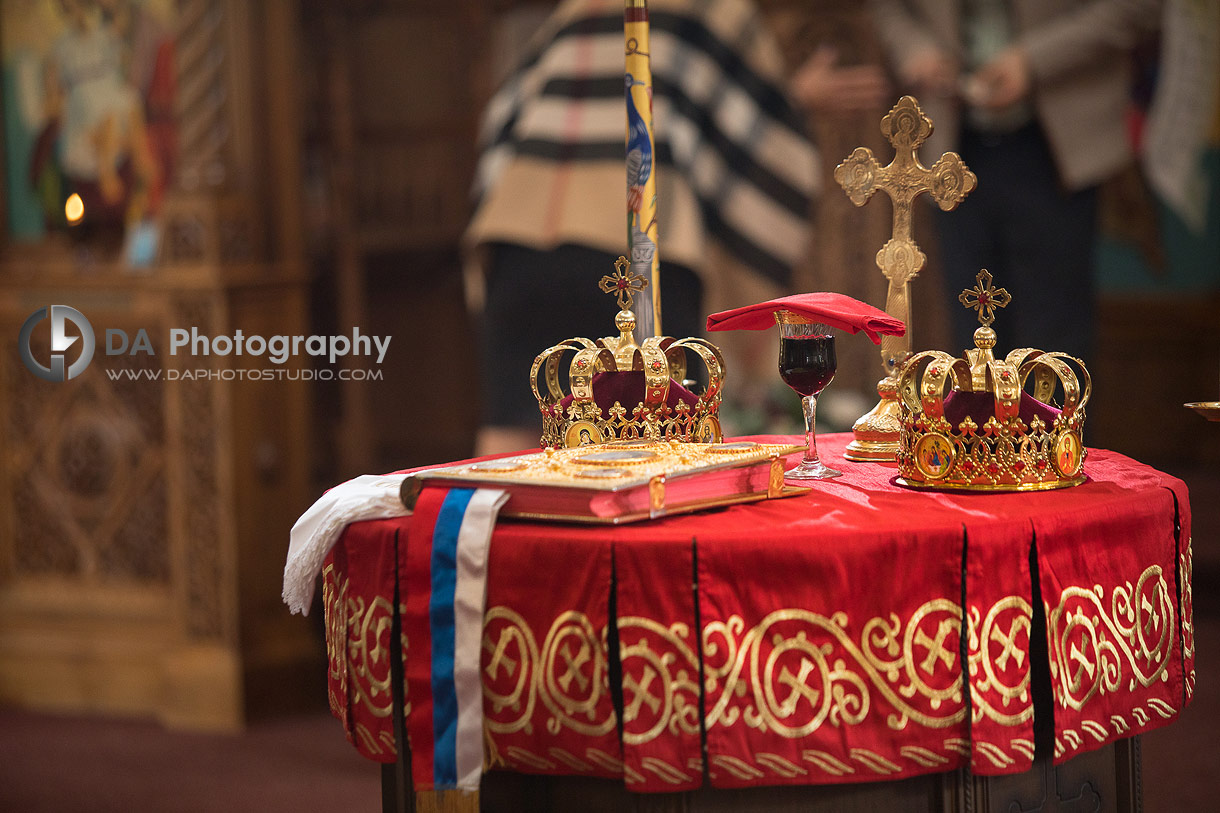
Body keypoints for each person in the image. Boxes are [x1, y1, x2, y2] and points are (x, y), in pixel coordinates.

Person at [466, 0, 889, 455]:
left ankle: (487, 525)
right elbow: (747, 118)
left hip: (519, 238)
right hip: (640, 239)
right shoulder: (712, 8)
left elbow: (502, 119)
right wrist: (798, 98)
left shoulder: (578, 9)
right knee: (673, 431)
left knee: (512, 431)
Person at [868, 0, 1162, 361]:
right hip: (950, 148)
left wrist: (1034, 60)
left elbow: (1140, 8)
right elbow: (885, 8)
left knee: (1053, 348)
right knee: (971, 338)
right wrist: (914, 48)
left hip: (1055, 150)